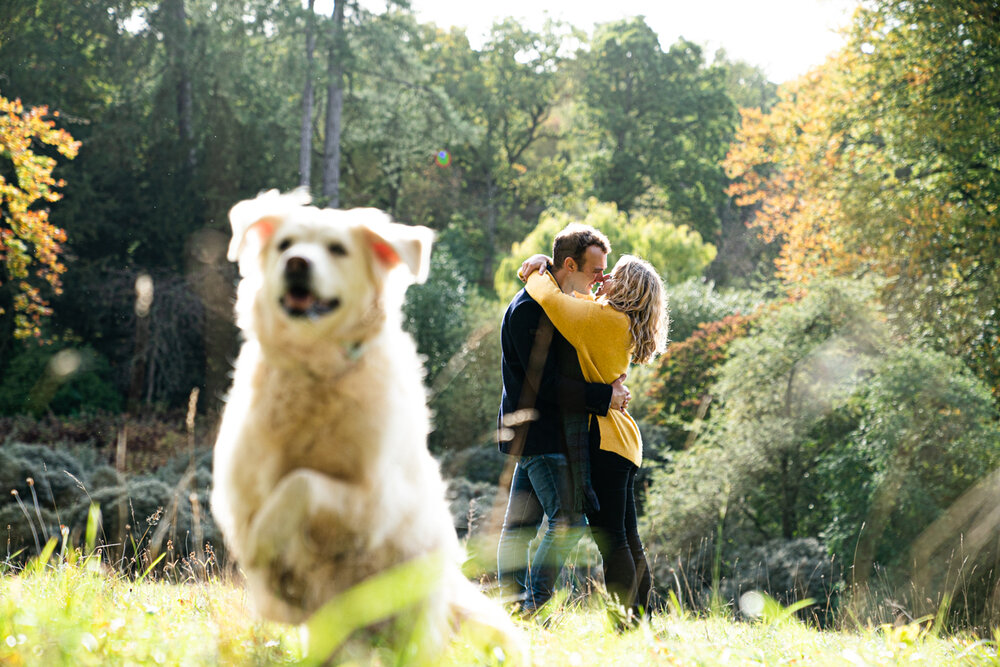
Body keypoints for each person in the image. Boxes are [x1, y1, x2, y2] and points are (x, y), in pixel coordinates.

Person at [518, 251, 668, 622]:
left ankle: (627, 624)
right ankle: (642, 619)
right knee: (628, 537)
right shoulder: (618, 321)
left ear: (628, 287)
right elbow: (579, 300)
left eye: (613, 275)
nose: (605, 280)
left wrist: (534, 271)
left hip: (606, 441)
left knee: (612, 539)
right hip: (622, 441)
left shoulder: (604, 320)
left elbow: (554, 300)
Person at [496, 224, 629, 615]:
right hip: (540, 434)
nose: (601, 279)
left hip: (547, 433)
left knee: (520, 528)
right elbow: (548, 385)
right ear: (569, 264)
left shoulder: (556, 302)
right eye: (596, 271)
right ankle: (531, 607)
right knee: (567, 521)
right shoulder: (529, 311)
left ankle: (515, 607)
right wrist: (605, 397)